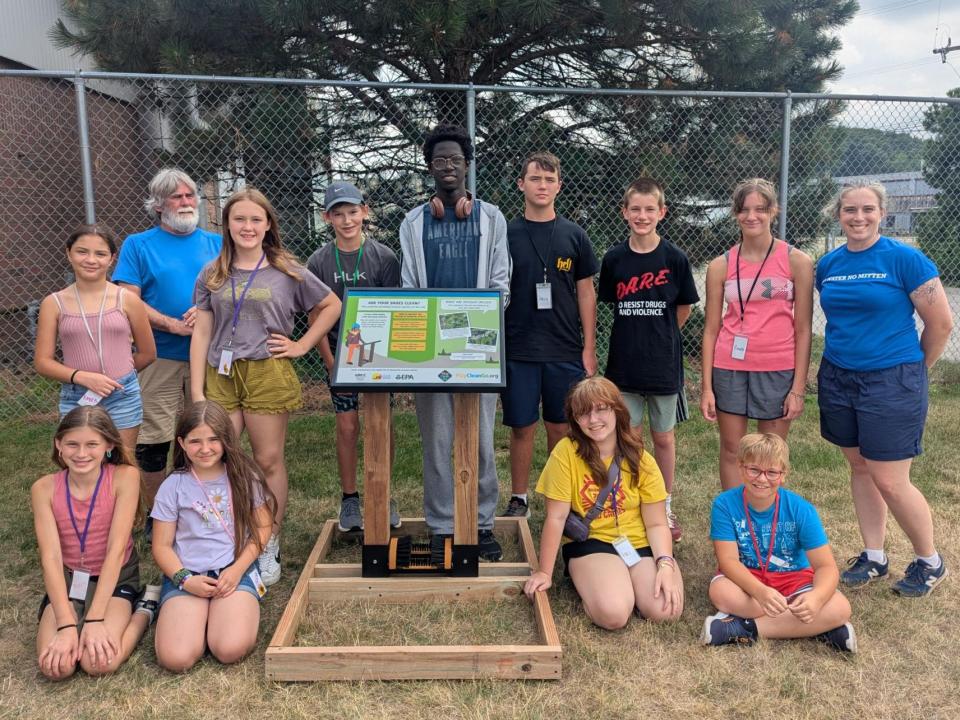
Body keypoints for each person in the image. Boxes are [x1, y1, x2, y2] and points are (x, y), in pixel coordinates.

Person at [191, 188, 341, 585]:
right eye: (239, 219)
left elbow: (331, 305)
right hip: (221, 374)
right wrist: (196, 391)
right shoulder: (212, 273)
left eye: (256, 220)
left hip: (267, 372)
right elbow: (203, 329)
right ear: (226, 224)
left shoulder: (286, 269)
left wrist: (303, 345)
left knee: (267, 460)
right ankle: (229, 539)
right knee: (219, 457)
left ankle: (268, 539)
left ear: (268, 225)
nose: (248, 227)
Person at [817, 181, 953, 597]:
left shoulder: (905, 260)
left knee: (891, 480)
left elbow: (941, 323)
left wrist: (913, 370)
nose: (858, 217)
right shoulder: (828, 264)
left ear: (882, 213)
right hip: (839, 376)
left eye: (867, 210)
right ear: (838, 215)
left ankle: (930, 561)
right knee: (859, 467)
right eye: (850, 210)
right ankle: (874, 555)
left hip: (891, 379)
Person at [399, 123, 511, 561]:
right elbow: (410, 286)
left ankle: (482, 522)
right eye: (440, 160)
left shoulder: (491, 218)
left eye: (455, 160)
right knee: (437, 438)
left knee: (480, 436)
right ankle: (443, 524)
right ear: (430, 167)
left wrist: (468, 325)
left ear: (467, 166)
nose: (448, 166)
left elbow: (502, 284)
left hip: (478, 346)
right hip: (430, 349)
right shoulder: (413, 221)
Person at [523, 377, 683, 628]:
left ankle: (628, 583)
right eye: (583, 413)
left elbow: (656, 523)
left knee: (666, 610)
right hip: (593, 541)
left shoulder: (640, 457)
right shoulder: (565, 453)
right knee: (614, 614)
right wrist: (544, 572)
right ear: (575, 419)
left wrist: (665, 564)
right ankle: (606, 587)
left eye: (601, 409)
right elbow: (556, 518)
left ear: (617, 410)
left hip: (638, 541)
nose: (593, 420)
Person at [112, 168, 221, 510]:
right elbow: (128, 300)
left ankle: (197, 504)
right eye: (177, 196)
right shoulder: (138, 245)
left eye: (191, 196)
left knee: (202, 434)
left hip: (207, 356)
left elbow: (234, 292)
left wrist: (207, 311)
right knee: (153, 439)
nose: (187, 202)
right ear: (159, 205)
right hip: (159, 354)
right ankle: (157, 510)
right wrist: (172, 325)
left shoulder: (216, 243)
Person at [598, 178, 699, 542]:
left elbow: (684, 305)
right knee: (629, 436)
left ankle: (664, 502)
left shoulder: (674, 258)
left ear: (662, 213)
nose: (642, 216)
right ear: (625, 212)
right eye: (635, 209)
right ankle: (631, 500)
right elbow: (612, 302)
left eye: (649, 209)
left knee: (664, 438)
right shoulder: (614, 259)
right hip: (624, 363)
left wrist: (665, 331)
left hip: (663, 363)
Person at [500, 151, 598, 519]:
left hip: (564, 348)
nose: (542, 186)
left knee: (560, 426)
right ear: (521, 184)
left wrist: (588, 346)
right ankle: (519, 497)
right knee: (522, 426)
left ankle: (562, 495)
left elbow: (586, 292)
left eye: (549, 179)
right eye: (535, 179)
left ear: (559, 185)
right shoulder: (505, 234)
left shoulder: (574, 235)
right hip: (518, 348)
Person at [701, 178, 813, 489]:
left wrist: (798, 389)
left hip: (777, 368)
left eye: (760, 209)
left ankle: (766, 519)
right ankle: (735, 521)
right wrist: (707, 388)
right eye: (745, 209)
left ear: (773, 211)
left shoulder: (797, 261)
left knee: (770, 455)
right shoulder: (720, 266)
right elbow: (711, 330)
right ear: (735, 213)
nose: (752, 216)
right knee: (732, 450)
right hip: (730, 367)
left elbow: (803, 329)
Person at [31, 406, 159, 680]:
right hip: (69, 579)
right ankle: (70, 614)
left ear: (109, 445)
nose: (81, 453)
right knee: (56, 668)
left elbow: (115, 552)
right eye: (72, 444)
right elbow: (51, 558)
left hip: (115, 578)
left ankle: (145, 609)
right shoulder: (43, 488)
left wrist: (95, 619)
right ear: (58, 445)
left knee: (99, 663)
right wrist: (66, 625)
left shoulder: (125, 477)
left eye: (92, 444)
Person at [702, 433, 857, 652]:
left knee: (841, 608)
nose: (762, 479)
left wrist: (816, 598)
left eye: (772, 472)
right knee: (720, 591)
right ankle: (821, 628)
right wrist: (760, 592)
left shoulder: (801, 509)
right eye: (754, 469)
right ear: (740, 467)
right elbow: (728, 561)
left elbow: (825, 566)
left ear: (783, 474)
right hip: (748, 579)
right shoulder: (724, 504)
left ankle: (740, 629)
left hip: (794, 580)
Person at [151, 400, 276, 671]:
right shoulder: (172, 486)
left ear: (227, 439)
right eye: (195, 441)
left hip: (234, 573)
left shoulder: (245, 477)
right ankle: (167, 613)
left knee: (229, 649)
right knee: (176, 658)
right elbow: (161, 546)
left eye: (213, 440)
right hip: (187, 575)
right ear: (182, 443)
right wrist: (185, 580)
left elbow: (263, 528)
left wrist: (237, 570)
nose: (205, 449)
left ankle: (216, 621)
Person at [306, 181, 401, 532]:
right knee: (347, 426)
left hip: (377, 359)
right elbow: (315, 317)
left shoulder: (384, 257)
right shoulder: (318, 261)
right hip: (340, 358)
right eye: (338, 214)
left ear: (365, 211)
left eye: (353, 212)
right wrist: (331, 362)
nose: (347, 220)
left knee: (381, 425)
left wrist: (388, 363)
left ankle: (384, 492)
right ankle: (350, 498)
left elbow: (393, 311)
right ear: (327, 217)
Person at [34, 225, 156, 452]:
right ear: (68, 253)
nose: (91, 260)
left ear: (111, 259)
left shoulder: (127, 299)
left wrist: (119, 377)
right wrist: (82, 378)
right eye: (82, 251)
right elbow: (43, 361)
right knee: (81, 463)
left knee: (123, 463)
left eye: (100, 254)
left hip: (122, 394)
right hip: (77, 396)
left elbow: (148, 353)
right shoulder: (54, 303)